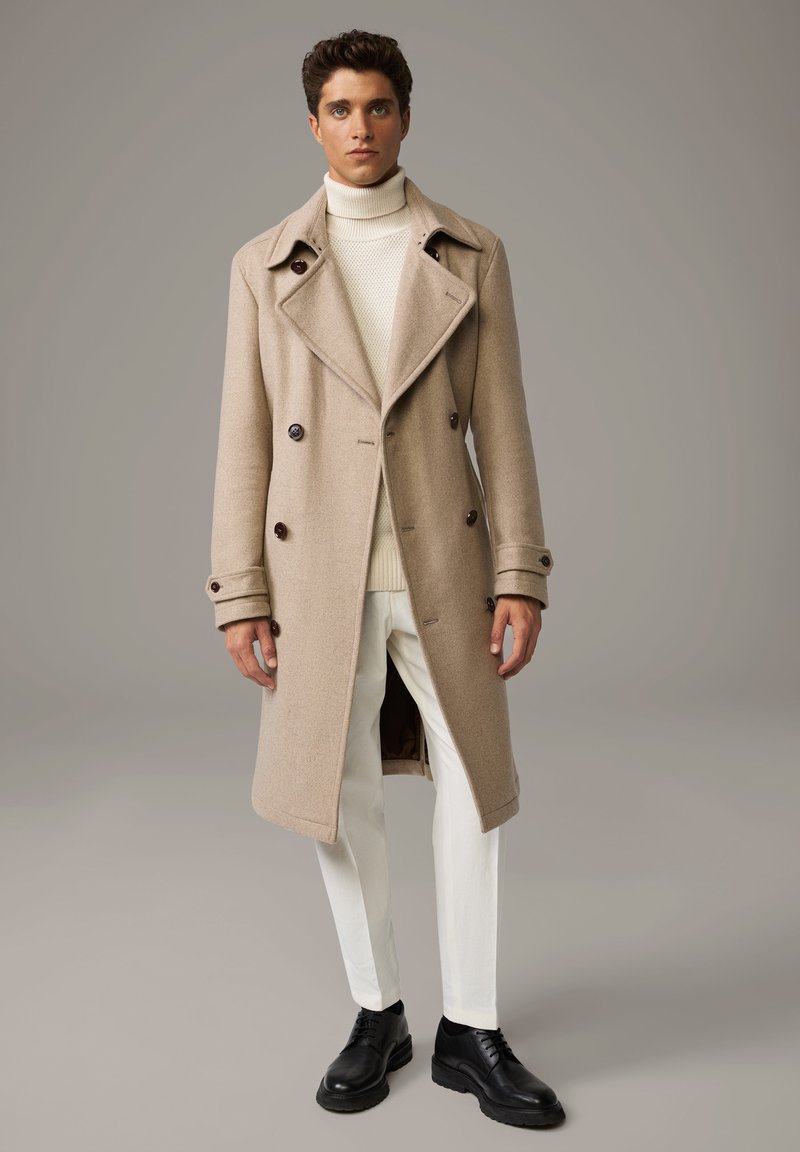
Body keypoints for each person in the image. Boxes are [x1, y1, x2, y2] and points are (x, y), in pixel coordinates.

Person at [206, 28, 564, 1128]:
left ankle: (472, 1028)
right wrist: (239, 590)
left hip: (444, 563)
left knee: (474, 792)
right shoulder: (263, 264)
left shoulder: (470, 252)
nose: (359, 127)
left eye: (377, 106)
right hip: (315, 574)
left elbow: (502, 424)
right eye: (339, 109)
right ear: (311, 124)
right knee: (336, 795)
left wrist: (520, 571)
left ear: (405, 115)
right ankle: (378, 1011)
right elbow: (244, 436)